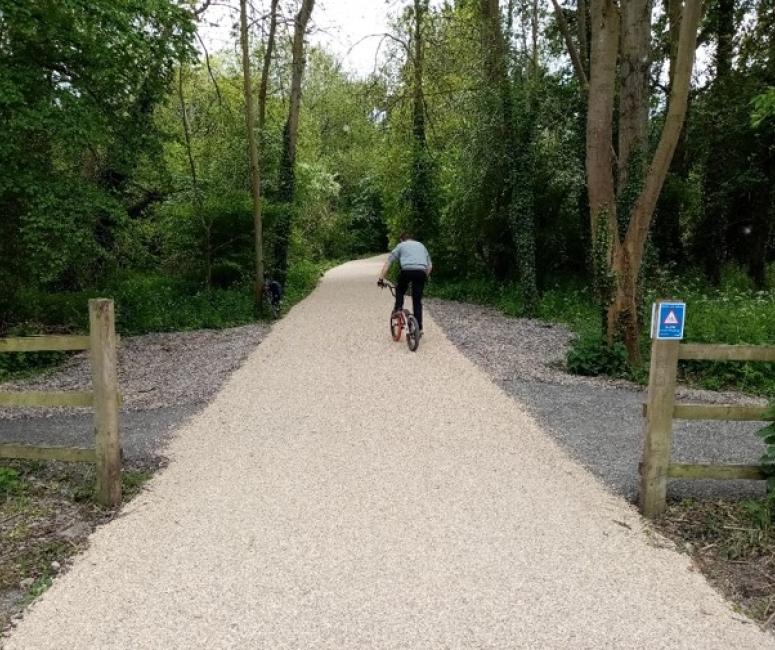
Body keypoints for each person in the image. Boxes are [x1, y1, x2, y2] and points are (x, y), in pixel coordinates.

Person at [377, 233, 432, 334]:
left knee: (400, 289)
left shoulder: (401, 245)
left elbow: (388, 263)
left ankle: (398, 308)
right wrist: (425, 277)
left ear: (402, 240)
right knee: (417, 301)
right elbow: (429, 266)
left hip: (407, 271)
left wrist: (381, 279)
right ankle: (419, 328)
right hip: (421, 272)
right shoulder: (421, 245)